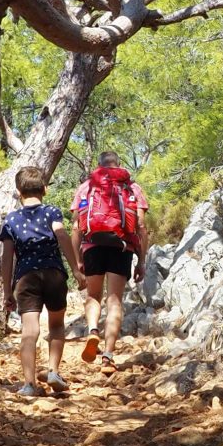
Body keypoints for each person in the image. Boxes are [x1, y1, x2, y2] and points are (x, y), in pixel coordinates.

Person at [0, 167, 79, 399]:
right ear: (44, 189)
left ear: (18, 191)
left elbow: (7, 258)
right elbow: (62, 236)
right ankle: (53, 372)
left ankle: (30, 384)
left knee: (29, 331)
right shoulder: (52, 212)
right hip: (54, 273)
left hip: (25, 277)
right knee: (56, 325)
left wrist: (7, 291)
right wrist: (75, 269)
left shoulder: (11, 220)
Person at [74, 149, 148, 367]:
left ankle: (93, 330)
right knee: (114, 300)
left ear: (100, 165)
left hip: (92, 247)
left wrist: (78, 259)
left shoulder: (87, 187)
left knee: (93, 296)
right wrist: (141, 260)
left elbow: (76, 226)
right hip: (121, 247)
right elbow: (142, 227)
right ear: (118, 164)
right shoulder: (132, 187)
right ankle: (107, 354)